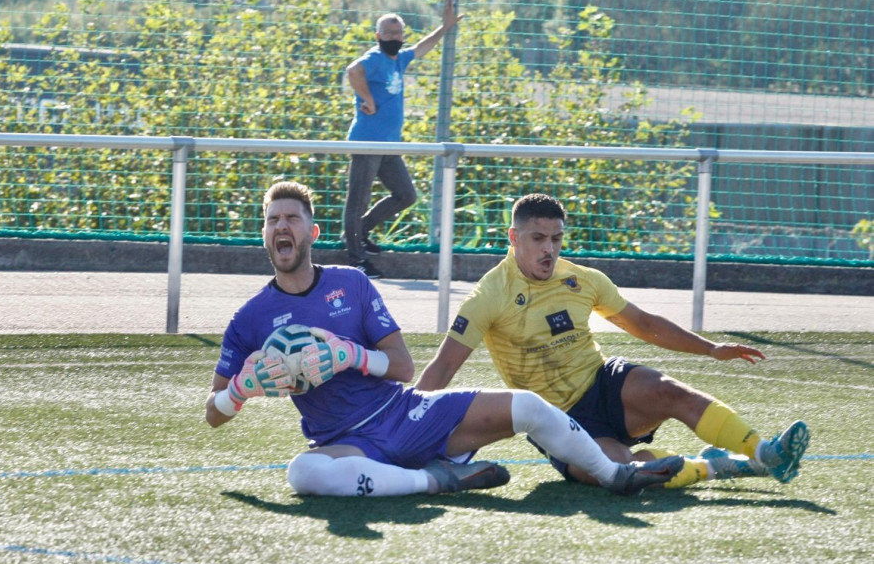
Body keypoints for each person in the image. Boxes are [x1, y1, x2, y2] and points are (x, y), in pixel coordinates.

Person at [204, 180, 684, 498]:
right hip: (344, 443)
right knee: (302, 473)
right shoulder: (251, 318)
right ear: (264, 232)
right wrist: (238, 392)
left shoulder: (351, 283)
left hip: (402, 412)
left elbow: (402, 368)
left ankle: (614, 474)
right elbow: (213, 414)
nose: (281, 226)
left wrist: (347, 355)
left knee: (529, 407)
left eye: (291, 218)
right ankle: (434, 479)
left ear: (313, 230)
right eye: (272, 220)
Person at [416, 193, 811, 489]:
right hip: (556, 419)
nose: (549, 249)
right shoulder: (489, 295)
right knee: (625, 469)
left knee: (672, 391)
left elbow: (643, 323)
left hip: (605, 383)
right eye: (538, 238)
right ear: (513, 237)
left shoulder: (583, 280)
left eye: (556, 238)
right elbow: (446, 365)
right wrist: (401, 421)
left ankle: (766, 452)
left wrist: (710, 348)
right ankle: (719, 466)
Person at [341, 0, 463, 278]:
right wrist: (367, 98)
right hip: (367, 142)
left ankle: (361, 231)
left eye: (398, 33)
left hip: (389, 145)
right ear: (378, 36)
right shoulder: (374, 58)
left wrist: (445, 27)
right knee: (357, 200)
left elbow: (422, 47)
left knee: (406, 194)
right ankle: (356, 259)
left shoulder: (399, 60)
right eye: (388, 33)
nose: (394, 38)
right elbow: (352, 71)